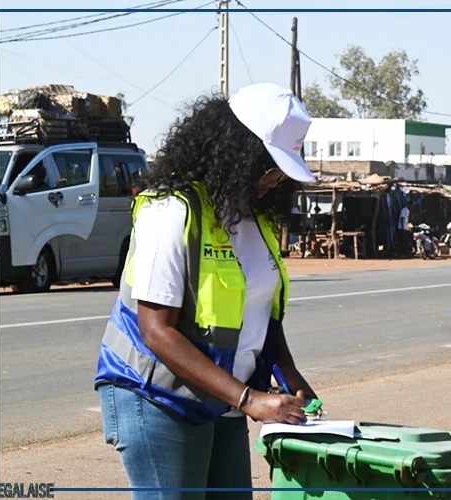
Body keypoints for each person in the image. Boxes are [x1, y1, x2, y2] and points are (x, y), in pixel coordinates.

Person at [94, 83, 319, 500]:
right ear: (237, 152)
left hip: (224, 395)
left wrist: (288, 376)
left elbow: (258, 312)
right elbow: (156, 331)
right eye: (268, 166)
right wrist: (250, 398)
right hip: (158, 397)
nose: (275, 179)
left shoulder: (255, 216)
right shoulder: (171, 209)